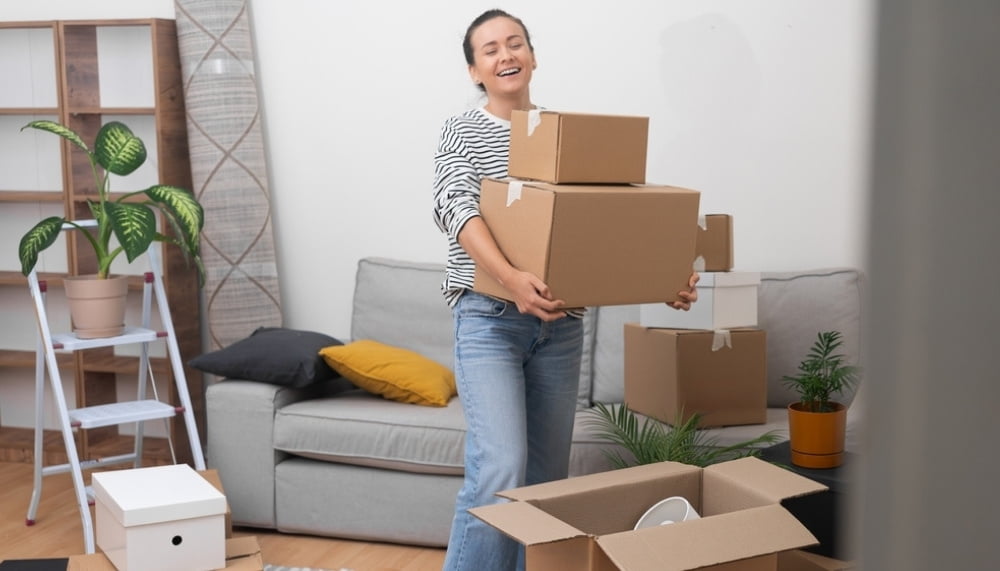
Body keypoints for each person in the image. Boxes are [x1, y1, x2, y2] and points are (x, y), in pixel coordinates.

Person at [431, 9, 699, 571]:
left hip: (558, 328)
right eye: (490, 50)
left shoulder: (562, 133)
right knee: (499, 468)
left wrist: (663, 278)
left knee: (548, 483)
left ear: (532, 56)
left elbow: (603, 222)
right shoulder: (465, 129)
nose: (506, 55)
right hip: (489, 320)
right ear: (474, 71)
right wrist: (511, 280)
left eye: (516, 44)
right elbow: (452, 207)